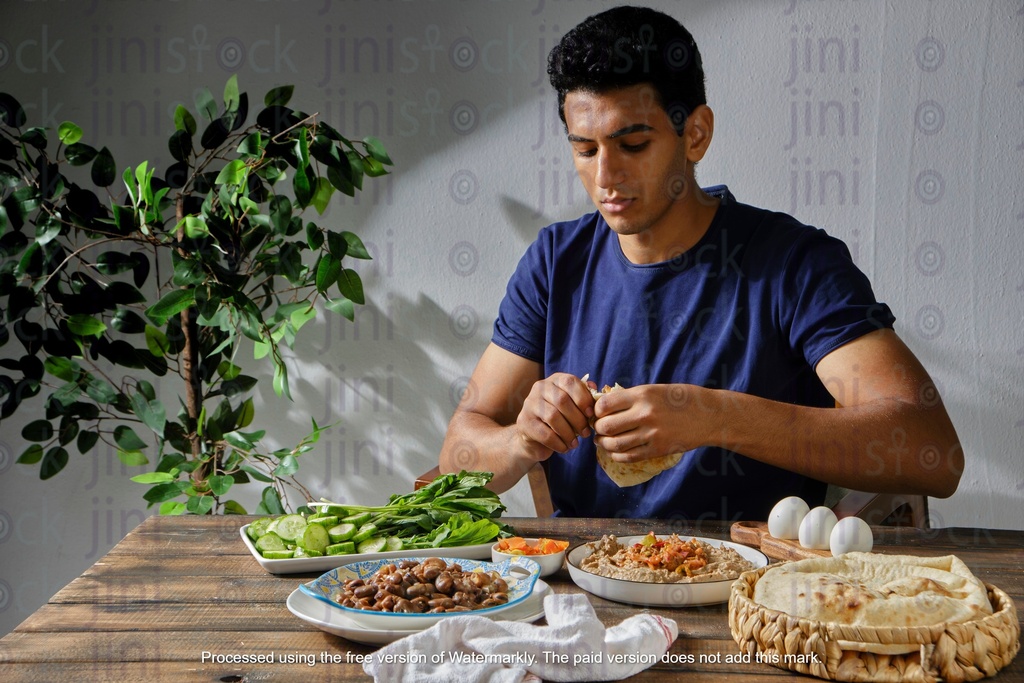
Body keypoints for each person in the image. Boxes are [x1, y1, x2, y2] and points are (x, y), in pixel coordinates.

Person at [439, 5, 962, 520]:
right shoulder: (555, 263)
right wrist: (520, 439)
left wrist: (714, 415)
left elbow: (933, 453)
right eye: (585, 150)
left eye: (633, 144)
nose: (606, 177)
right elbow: (454, 461)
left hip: (745, 591)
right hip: (580, 590)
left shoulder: (793, 264)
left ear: (696, 135)